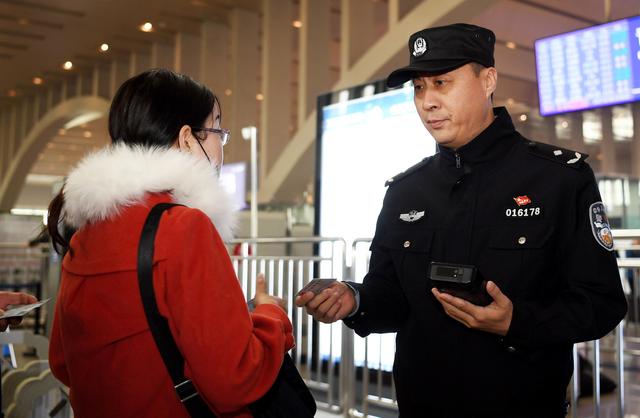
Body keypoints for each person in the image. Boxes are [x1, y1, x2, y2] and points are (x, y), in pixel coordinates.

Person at [296, 23, 628, 417]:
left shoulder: (559, 180)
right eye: (419, 88)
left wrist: (516, 322)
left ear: (488, 80)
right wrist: (354, 299)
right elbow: (391, 299)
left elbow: (601, 302)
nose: (427, 102)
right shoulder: (405, 191)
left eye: (442, 82)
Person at [47, 69, 294, 418]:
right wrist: (271, 316)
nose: (222, 144)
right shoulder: (184, 227)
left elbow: (62, 361)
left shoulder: (86, 230)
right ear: (187, 139)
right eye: (217, 131)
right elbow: (234, 379)